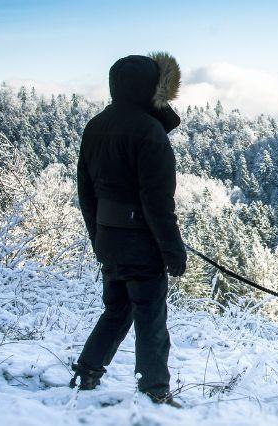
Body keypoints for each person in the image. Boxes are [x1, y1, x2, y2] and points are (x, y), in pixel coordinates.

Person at [71, 52, 187, 407]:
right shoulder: (150, 133)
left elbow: (86, 192)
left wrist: (97, 236)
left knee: (117, 308)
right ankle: (154, 392)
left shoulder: (96, 125)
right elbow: (157, 202)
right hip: (141, 241)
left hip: (109, 236)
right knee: (150, 315)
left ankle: (87, 373)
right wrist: (172, 249)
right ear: (154, 89)